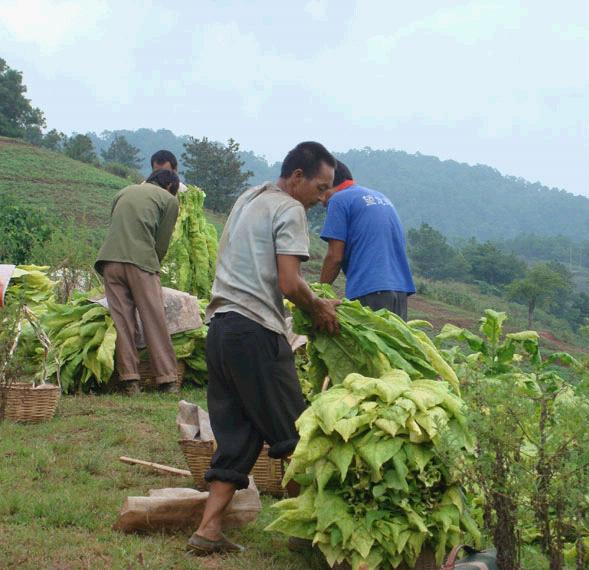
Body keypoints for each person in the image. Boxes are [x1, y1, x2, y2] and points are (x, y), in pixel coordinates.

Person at [186, 142, 340, 555]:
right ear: (296, 178)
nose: (324, 198)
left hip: (219, 330)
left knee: (236, 435)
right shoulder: (290, 210)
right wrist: (319, 306)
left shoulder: (248, 198)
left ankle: (208, 530)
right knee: (298, 433)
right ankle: (310, 533)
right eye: (321, 188)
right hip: (255, 333)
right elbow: (289, 283)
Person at [94, 169, 181, 395]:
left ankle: (129, 380)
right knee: (153, 318)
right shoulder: (169, 199)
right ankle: (167, 379)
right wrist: (154, 265)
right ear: (170, 186)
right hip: (140, 260)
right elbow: (161, 242)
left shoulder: (123, 192)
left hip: (109, 261)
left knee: (122, 322)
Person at [319, 161, 415, 319]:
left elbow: (334, 256)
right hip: (400, 292)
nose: (321, 200)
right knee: (392, 343)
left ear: (330, 182)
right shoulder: (381, 197)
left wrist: (318, 294)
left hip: (370, 290)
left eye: (321, 190)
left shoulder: (339, 200)